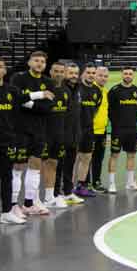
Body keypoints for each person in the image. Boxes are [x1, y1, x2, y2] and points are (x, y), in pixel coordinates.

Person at [0, 57, 53, 229]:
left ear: (5, 71)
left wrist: (41, 94)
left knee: (7, 177)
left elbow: (23, 98)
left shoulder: (12, 91)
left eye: (0, 67)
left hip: (6, 142)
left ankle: (6, 213)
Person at [10, 51, 56, 215]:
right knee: (18, 166)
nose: (39, 64)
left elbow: (49, 107)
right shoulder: (18, 78)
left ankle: (29, 204)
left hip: (39, 130)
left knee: (35, 165)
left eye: (42, 61)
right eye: (36, 60)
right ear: (29, 62)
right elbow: (15, 99)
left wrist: (30, 104)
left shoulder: (48, 82)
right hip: (20, 129)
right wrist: (40, 99)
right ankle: (13, 204)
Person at [106, 66, 137, 193]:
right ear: (122, 75)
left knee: (131, 155)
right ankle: (111, 183)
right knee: (114, 155)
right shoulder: (114, 90)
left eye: (130, 74)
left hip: (132, 129)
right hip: (117, 130)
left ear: (133, 75)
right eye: (125, 73)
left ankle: (130, 182)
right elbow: (109, 109)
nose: (128, 76)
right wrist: (116, 122)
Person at [41, 61, 70, 209]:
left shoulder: (66, 91)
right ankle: (33, 199)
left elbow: (67, 114)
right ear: (50, 72)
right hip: (44, 134)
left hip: (59, 135)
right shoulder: (44, 89)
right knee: (42, 165)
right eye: (56, 71)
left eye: (61, 71)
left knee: (53, 164)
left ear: (64, 73)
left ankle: (49, 197)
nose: (58, 74)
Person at [55, 62, 84, 205]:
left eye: (76, 73)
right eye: (71, 73)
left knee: (69, 165)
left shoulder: (78, 90)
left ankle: (67, 192)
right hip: (60, 134)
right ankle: (55, 194)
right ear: (64, 73)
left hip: (74, 135)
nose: (74, 76)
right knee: (58, 165)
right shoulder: (59, 89)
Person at [73, 64, 102, 198]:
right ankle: (67, 187)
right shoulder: (76, 88)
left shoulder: (97, 91)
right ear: (83, 74)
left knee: (86, 157)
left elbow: (95, 111)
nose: (91, 75)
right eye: (88, 72)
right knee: (73, 158)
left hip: (89, 129)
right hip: (74, 128)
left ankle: (80, 186)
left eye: (93, 73)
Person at [89, 66, 109, 193]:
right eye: (100, 75)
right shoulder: (91, 90)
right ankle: (83, 184)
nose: (103, 78)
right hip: (90, 131)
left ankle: (96, 182)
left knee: (98, 158)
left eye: (105, 76)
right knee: (85, 159)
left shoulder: (105, 92)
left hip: (102, 131)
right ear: (95, 76)